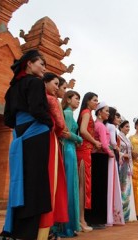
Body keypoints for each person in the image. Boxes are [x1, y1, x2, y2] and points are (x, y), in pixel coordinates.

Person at [0, 50, 53, 240]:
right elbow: (38, 109)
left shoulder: (11, 89)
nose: (44, 68)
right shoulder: (35, 83)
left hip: (19, 135)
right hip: (36, 133)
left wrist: (21, 128)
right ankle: (29, 232)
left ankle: (12, 229)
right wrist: (48, 123)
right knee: (35, 181)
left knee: (20, 179)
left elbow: (7, 119)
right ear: (29, 64)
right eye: (41, 63)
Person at [40, 72, 69, 239]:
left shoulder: (37, 97)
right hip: (51, 141)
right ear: (45, 83)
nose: (57, 88)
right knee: (53, 182)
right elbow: (61, 125)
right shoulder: (52, 100)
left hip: (37, 140)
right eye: (56, 84)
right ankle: (47, 229)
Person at [56, 90, 83, 237]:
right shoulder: (67, 113)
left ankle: (69, 225)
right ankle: (65, 226)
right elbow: (64, 133)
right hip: (68, 150)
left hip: (70, 150)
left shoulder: (69, 113)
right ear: (68, 99)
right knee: (69, 187)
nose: (78, 101)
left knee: (71, 186)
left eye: (79, 99)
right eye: (76, 98)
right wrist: (79, 139)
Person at [85, 102, 112, 229]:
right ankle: (97, 219)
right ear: (99, 112)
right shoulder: (100, 126)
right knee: (100, 188)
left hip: (96, 156)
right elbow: (105, 144)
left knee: (96, 188)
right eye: (106, 111)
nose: (108, 113)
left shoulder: (96, 125)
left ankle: (94, 218)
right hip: (100, 156)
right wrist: (111, 153)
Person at [76, 92, 101, 232]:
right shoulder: (86, 113)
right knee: (83, 186)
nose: (97, 103)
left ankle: (82, 219)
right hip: (83, 151)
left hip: (86, 150)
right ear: (88, 101)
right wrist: (95, 141)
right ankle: (81, 220)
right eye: (95, 100)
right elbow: (83, 131)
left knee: (84, 186)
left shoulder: (87, 113)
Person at [104, 107, 125, 226]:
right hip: (112, 155)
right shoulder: (111, 127)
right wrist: (119, 152)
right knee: (112, 184)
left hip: (106, 155)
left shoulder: (105, 125)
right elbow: (112, 142)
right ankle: (112, 215)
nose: (119, 119)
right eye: (117, 116)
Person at [118, 119, 137, 222]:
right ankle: (122, 214)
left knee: (128, 188)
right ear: (120, 127)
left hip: (128, 164)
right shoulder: (118, 137)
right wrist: (122, 154)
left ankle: (128, 214)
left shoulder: (127, 139)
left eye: (129, 127)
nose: (128, 128)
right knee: (123, 188)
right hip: (122, 165)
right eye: (126, 126)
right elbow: (115, 149)